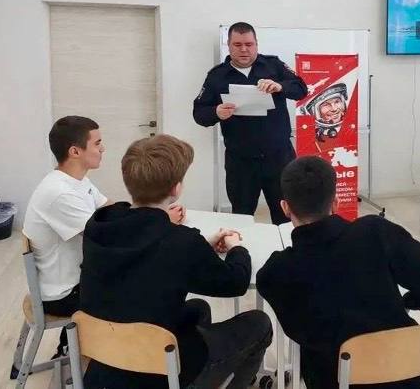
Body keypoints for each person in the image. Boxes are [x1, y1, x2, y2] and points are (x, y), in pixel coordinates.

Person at [79, 134, 272, 389]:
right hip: (159, 375)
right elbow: (235, 282)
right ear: (176, 189)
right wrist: (237, 248)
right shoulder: (180, 241)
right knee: (259, 323)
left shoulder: (99, 226)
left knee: (198, 308)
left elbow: (148, 257)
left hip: (104, 365)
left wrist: (202, 246)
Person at [257, 156, 420, 389]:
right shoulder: (376, 232)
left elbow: (299, 332)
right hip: (406, 377)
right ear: (335, 202)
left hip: (335, 380)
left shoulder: (275, 273)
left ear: (285, 208)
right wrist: (407, 302)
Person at [22, 116, 185, 358]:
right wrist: (159, 218)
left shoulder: (78, 182)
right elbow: (110, 237)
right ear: (75, 151)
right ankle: (129, 358)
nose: (103, 148)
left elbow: (114, 212)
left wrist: (155, 211)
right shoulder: (59, 194)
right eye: (97, 143)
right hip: (65, 293)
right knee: (150, 285)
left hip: (78, 278)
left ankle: (94, 349)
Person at [193, 22, 308, 224]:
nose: (244, 49)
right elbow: (199, 113)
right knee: (242, 217)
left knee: (286, 215)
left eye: (249, 44)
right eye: (237, 45)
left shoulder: (273, 65)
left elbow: (301, 89)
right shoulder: (217, 75)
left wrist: (279, 86)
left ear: (256, 44)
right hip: (241, 162)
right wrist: (216, 112)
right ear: (228, 45)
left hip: (279, 158)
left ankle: (286, 245)